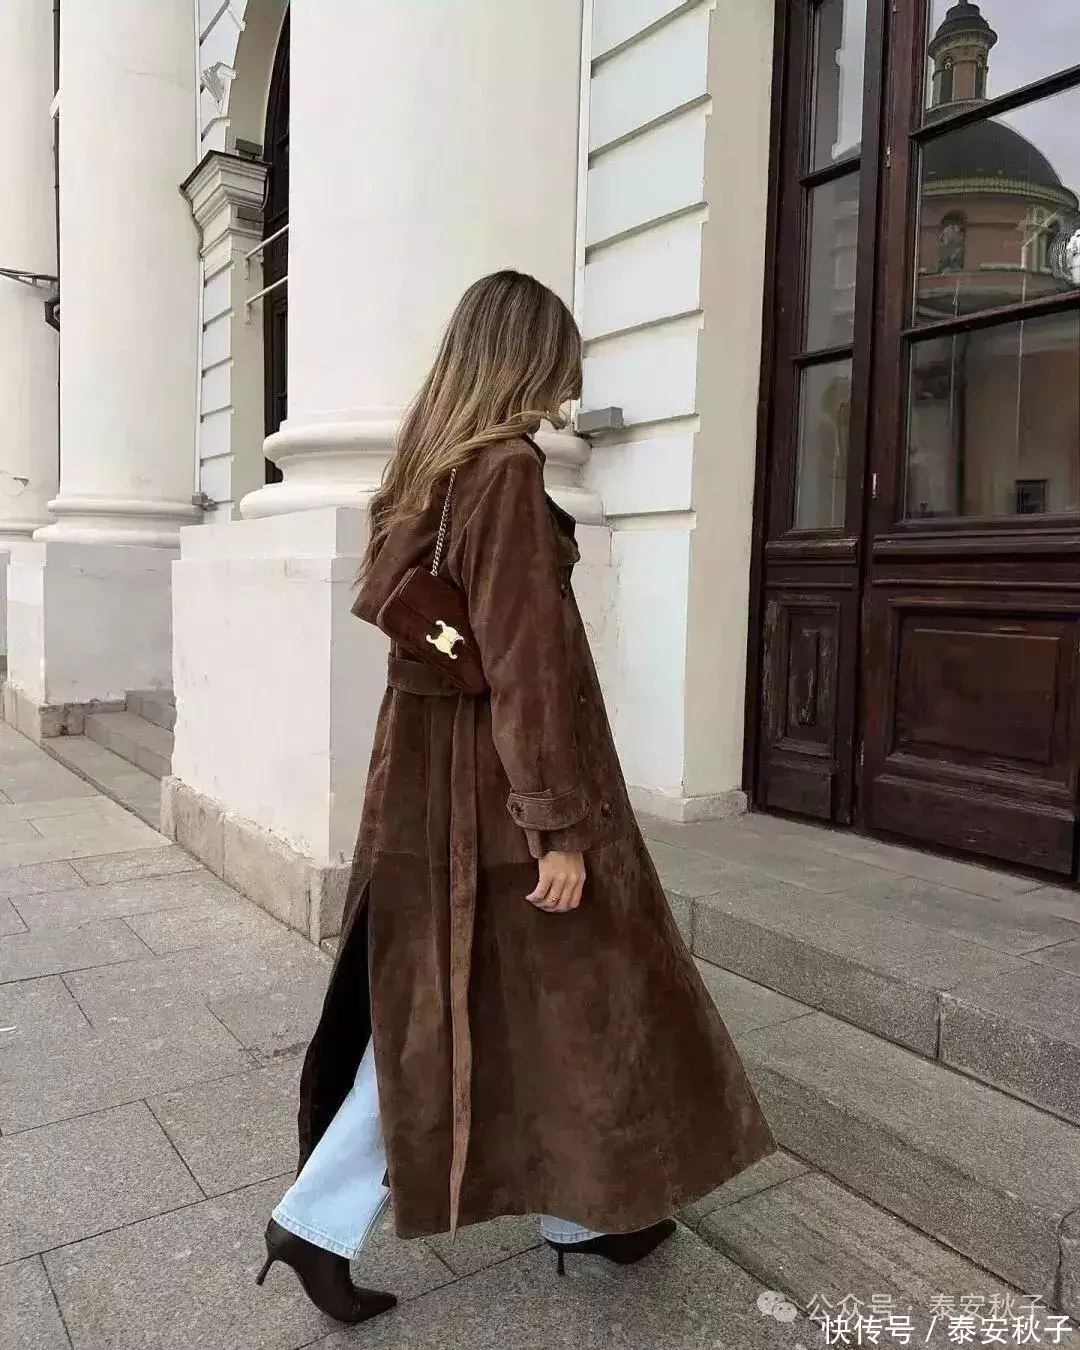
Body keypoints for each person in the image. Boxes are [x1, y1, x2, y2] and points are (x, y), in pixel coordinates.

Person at [257, 270, 776, 1324]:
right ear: (529, 356)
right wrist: (556, 826)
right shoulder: (502, 470)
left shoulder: (431, 468)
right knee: (477, 1010)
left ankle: (586, 1213)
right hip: (498, 796)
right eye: (562, 365)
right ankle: (317, 1221)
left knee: (527, 1001)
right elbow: (526, 666)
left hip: (436, 783)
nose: (568, 390)